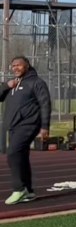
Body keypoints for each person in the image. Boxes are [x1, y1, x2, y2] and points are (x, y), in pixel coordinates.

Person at [1, 56, 52, 206]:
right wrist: (6, 85)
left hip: (29, 124)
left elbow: (45, 104)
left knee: (13, 153)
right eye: (13, 65)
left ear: (27, 66)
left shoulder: (36, 83)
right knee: (21, 156)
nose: (15, 68)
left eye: (19, 65)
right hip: (14, 126)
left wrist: (45, 127)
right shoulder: (13, 83)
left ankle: (19, 188)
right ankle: (28, 191)